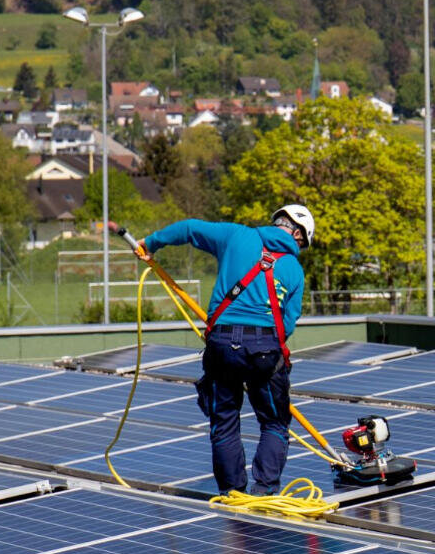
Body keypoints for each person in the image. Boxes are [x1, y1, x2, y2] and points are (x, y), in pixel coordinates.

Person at [131, 205, 313, 495]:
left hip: (222, 343)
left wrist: (150, 243)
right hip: (264, 349)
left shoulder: (236, 235)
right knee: (275, 423)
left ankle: (232, 493)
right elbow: (288, 323)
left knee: (225, 420)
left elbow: (189, 227)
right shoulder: (294, 270)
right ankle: (264, 491)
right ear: (298, 237)